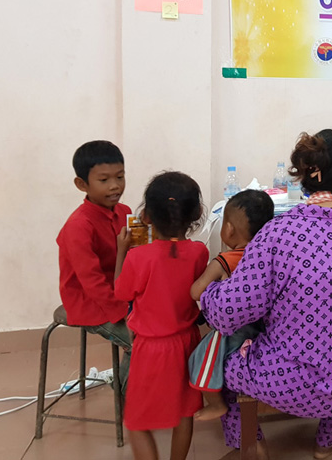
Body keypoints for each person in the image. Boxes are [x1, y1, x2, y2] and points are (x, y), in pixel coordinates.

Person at [200, 129, 332, 460]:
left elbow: (228, 313)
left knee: (225, 363)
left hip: (289, 382)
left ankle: (251, 445)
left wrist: (210, 292)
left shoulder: (277, 233)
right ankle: (329, 440)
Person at [114, 171, 210, 460]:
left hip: (151, 349)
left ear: (146, 216)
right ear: (196, 214)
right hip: (187, 342)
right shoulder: (199, 252)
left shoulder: (138, 257)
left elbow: (121, 292)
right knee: (184, 412)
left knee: (136, 421)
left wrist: (121, 252)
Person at [188, 189, 274, 421]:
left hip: (235, 329)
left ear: (228, 229)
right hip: (265, 326)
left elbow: (196, 291)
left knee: (202, 356)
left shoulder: (225, 261)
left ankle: (216, 403)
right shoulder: (270, 256)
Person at [57, 140, 133, 390]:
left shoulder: (125, 211)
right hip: (90, 302)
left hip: (121, 293)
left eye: (120, 177)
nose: (115, 185)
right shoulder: (79, 226)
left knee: (165, 328)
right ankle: (128, 399)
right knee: (142, 341)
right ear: (82, 184)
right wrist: (124, 314)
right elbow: (92, 283)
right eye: (104, 180)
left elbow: (135, 257)